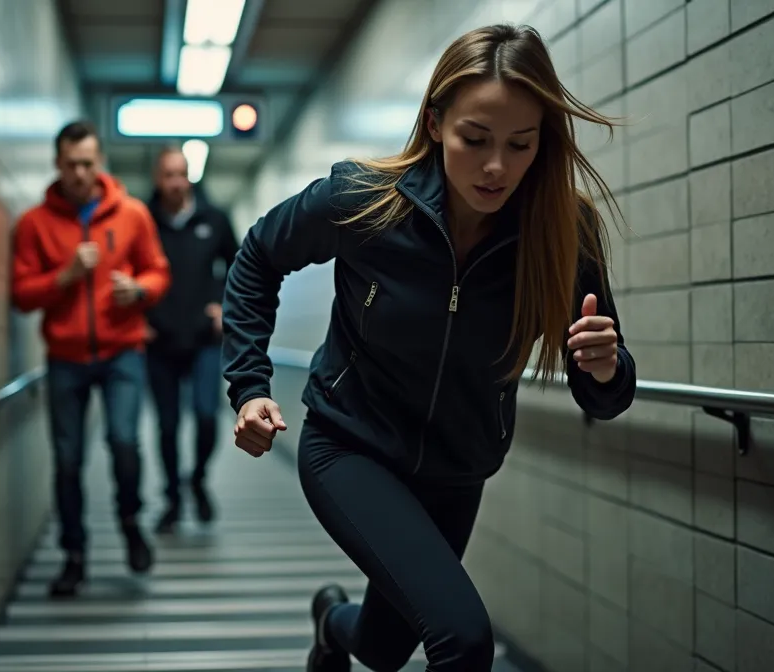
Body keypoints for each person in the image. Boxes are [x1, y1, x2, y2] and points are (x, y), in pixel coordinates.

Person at [219, 24, 637, 672]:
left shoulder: (563, 229)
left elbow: (603, 392)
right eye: (475, 139)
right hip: (349, 446)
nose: (496, 165)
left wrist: (606, 369)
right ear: (437, 121)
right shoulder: (364, 201)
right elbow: (257, 257)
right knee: (462, 639)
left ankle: (332, 622)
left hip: (458, 469)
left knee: (384, 651)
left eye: (519, 145)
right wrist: (250, 387)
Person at [10, 120, 172, 597]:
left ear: (98, 162)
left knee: (124, 441)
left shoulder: (133, 215)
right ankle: (74, 554)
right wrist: (64, 277)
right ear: (57, 164)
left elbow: (158, 272)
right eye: (71, 164)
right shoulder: (34, 224)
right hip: (65, 357)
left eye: (88, 163)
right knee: (67, 460)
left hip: (123, 351)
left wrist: (138, 290)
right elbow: (21, 295)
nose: (80, 173)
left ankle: (129, 520)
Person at [142, 146, 240, 534]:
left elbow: (240, 264)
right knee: (166, 427)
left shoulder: (214, 219)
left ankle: (197, 479)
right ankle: (172, 497)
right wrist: (140, 317)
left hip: (203, 339)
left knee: (204, 416)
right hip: (159, 340)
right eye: (168, 175)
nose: (176, 183)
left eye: (182, 174)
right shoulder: (143, 220)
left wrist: (223, 304)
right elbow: (127, 271)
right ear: (156, 178)